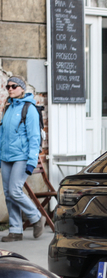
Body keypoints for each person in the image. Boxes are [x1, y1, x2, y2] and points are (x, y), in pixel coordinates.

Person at [0, 76, 45, 242]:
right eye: (8, 87)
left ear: (21, 88)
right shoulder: (8, 107)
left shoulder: (29, 109)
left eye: (13, 86)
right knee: (8, 194)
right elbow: (2, 133)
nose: (10, 89)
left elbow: (34, 138)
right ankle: (15, 230)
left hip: (21, 157)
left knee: (15, 190)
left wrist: (32, 162)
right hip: (6, 157)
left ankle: (36, 217)